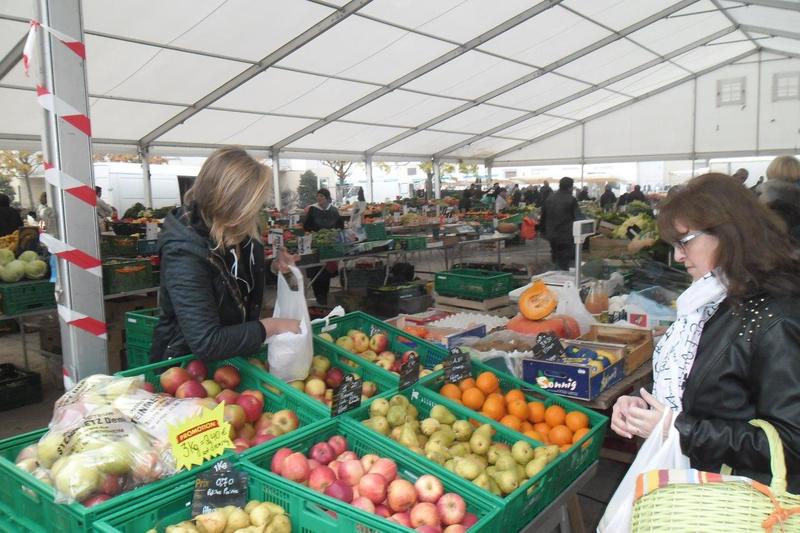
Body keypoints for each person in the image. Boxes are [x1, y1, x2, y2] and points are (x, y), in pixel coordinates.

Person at [609, 173, 800, 495]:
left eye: (685, 241)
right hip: (696, 488)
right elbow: (700, 387)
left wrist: (680, 430)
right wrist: (643, 405)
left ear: (728, 234)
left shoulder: (776, 317)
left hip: (739, 504)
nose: (678, 256)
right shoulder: (712, 302)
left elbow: (791, 444)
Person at [151, 147, 300, 362]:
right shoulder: (184, 251)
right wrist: (272, 326)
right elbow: (206, 342)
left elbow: (233, 282)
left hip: (230, 357)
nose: (254, 212)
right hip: (184, 365)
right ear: (227, 203)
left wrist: (272, 268)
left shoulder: (236, 229)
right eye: (249, 206)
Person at [304, 188, 344, 305]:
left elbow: (340, 226)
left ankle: (324, 297)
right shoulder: (313, 209)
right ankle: (319, 296)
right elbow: (306, 226)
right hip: (315, 245)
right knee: (315, 270)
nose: (318, 198)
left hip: (329, 247)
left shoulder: (333, 210)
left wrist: (334, 236)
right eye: (318, 196)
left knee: (326, 272)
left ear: (327, 198)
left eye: (321, 196)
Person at [540, 177, 582, 270]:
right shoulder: (571, 199)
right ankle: (561, 273)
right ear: (570, 187)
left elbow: (543, 216)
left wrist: (542, 231)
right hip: (566, 235)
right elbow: (578, 217)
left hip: (551, 234)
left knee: (555, 256)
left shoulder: (550, 198)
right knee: (565, 260)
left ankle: (555, 272)